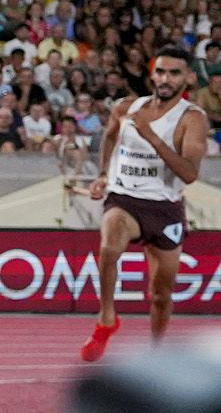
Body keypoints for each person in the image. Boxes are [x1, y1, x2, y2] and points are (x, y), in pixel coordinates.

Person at [81, 49, 207, 361]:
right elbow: (110, 137)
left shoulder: (192, 119)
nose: (165, 79)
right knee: (110, 247)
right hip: (125, 197)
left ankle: (156, 355)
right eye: (161, 72)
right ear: (152, 74)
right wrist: (102, 175)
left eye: (174, 73)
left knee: (161, 296)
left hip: (164, 206)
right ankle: (106, 320)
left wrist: (152, 136)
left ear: (188, 78)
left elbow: (189, 174)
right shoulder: (126, 107)